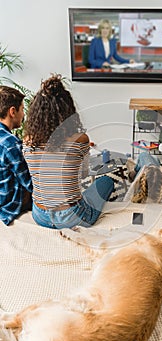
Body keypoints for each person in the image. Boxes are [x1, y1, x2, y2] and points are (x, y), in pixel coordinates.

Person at [23, 74, 114, 229]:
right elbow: (84, 174)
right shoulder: (81, 139)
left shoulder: (27, 141)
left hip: (39, 215)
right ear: (68, 112)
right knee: (107, 181)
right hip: (72, 217)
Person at [0, 86, 32, 225]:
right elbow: (30, 184)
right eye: (22, 109)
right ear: (12, 111)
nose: (23, 115)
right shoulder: (10, 143)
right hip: (7, 205)